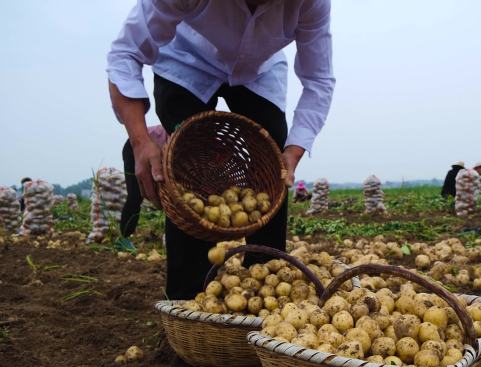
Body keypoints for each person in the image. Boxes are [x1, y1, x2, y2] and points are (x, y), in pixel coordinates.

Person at [107, 0, 335, 300]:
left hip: (259, 72)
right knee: (187, 171)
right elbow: (125, 53)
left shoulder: (311, 3)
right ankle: (187, 298)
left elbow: (319, 79)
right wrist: (140, 141)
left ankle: (267, 286)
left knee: (271, 167)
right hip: (184, 59)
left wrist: (291, 154)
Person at [117, 125, 168, 252]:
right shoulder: (175, 135)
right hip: (134, 148)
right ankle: (124, 238)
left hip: (156, 150)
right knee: (135, 195)